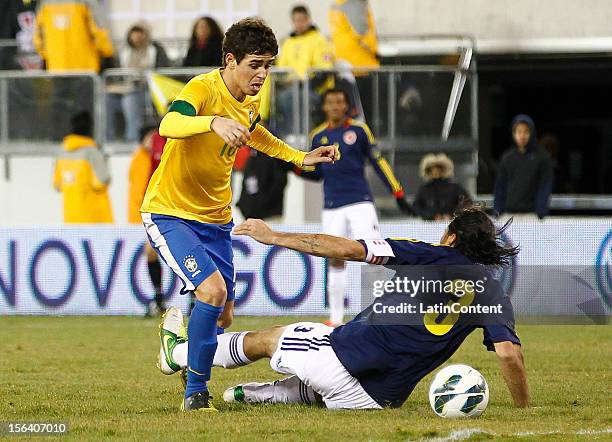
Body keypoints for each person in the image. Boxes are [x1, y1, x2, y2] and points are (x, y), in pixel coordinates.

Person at [140, 17, 339, 412]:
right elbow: (169, 122)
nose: (262, 74)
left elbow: (257, 133)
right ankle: (195, 394)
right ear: (230, 60)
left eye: (267, 65)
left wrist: (300, 156)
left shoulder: (248, 102)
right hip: (170, 212)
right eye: (255, 64)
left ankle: (176, 352)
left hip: (216, 219)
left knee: (224, 315)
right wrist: (213, 122)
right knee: (211, 292)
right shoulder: (202, 88)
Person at [158, 204, 529, 410]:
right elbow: (509, 356)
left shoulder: (429, 254)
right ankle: (252, 394)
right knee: (318, 371)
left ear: (450, 236)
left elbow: (346, 249)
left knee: (272, 338)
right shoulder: (493, 292)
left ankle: (180, 352)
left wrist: (275, 237)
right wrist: (523, 410)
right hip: (378, 399)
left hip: (339, 362)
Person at [296, 88, 412, 327]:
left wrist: (397, 190)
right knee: (334, 258)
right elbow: (317, 173)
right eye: (331, 102)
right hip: (332, 206)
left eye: (340, 102)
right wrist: (294, 167)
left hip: (360, 202)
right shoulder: (317, 136)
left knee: (375, 255)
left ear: (346, 106)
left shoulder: (359, 130)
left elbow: (377, 160)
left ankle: (378, 313)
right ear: (325, 107)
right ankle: (336, 319)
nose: (336, 106)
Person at [273, 5, 334, 135]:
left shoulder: (319, 40)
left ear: (308, 20)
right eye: (296, 20)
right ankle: (289, 135)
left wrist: (301, 83)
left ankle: (302, 135)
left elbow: (324, 69)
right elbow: (281, 70)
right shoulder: (288, 42)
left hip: (314, 89)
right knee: (283, 97)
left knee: (294, 97)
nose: (299, 24)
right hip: (290, 88)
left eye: (302, 20)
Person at [106, 22, 170, 142]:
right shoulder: (123, 53)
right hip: (125, 88)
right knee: (107, 99)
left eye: (140, 35)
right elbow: (116, 75)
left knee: (130, 100)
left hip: (148, 90)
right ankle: (108, 137)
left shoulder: (155, 51)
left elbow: (163, 72)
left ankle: (132, 138)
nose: (137, 38)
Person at [128, 125, 168, 316]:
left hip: (184, 203)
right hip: (160, 204)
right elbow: (145, 148)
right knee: (150, 250)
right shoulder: (157, 138)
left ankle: (195, 300)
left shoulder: (193, 138)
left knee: (189, 253)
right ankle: (159, 298)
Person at [53, 111, 113, 223]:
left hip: (70, 216)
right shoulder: (92, 152)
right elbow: (102, 181)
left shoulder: (61, 152)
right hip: (95, 217)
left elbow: (57, 185)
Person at [494, 114, 553, 219]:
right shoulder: (507, 158)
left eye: (526, 131)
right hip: (508, 215)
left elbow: (545, 185)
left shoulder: (542, 157)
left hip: (532, 215)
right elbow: (500, 186)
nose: (522, 135)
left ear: (532, 133)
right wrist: (498, 211)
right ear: (513, 133)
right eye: (519, 131)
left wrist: (540, 212)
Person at [329, 0, 379, 123]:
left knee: (350, 109)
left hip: (345, 61)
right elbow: (362, 32)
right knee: (364, 111)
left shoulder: (338, 4)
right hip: (361, 64)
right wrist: (375, 51)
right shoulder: (354, 3)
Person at [33, 0, 113, 72]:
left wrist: (44, 56)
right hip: (86, 69)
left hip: (56, 67)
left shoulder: (45, 3)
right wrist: (107, 54)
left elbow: (38, 35)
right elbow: (98, 30)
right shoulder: (87, 2)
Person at [413, 153, 471, 221]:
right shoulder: (424, 189)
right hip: (429, 226)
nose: (435, 172)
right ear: (428, 171)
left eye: (438, 169)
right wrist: (431, 216)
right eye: (432, 169)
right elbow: (416, 208)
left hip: (452, 224)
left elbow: (467, 203)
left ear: (444, 169)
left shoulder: (455, 188)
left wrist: (452, 215)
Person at [236, 149, 288, 222]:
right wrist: (242, 205)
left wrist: (263, 203)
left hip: (270, 217)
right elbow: (246, 184)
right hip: (250, 218)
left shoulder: (275, 155)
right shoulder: (252, 157)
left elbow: (279, 183)